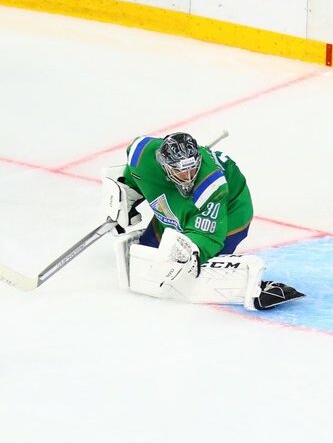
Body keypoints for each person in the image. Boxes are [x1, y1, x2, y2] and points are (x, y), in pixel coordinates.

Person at [103, 133, 303, 311]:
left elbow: (208, 235)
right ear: (164, 166)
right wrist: (126, 192)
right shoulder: (141, 154)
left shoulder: (212, 186)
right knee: (149, 253)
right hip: (180, 203)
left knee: (189, 267)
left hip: (230, 211)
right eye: (180, 171)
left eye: (192, 169)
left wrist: (191, 254)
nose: (188, 177)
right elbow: (133, 170)